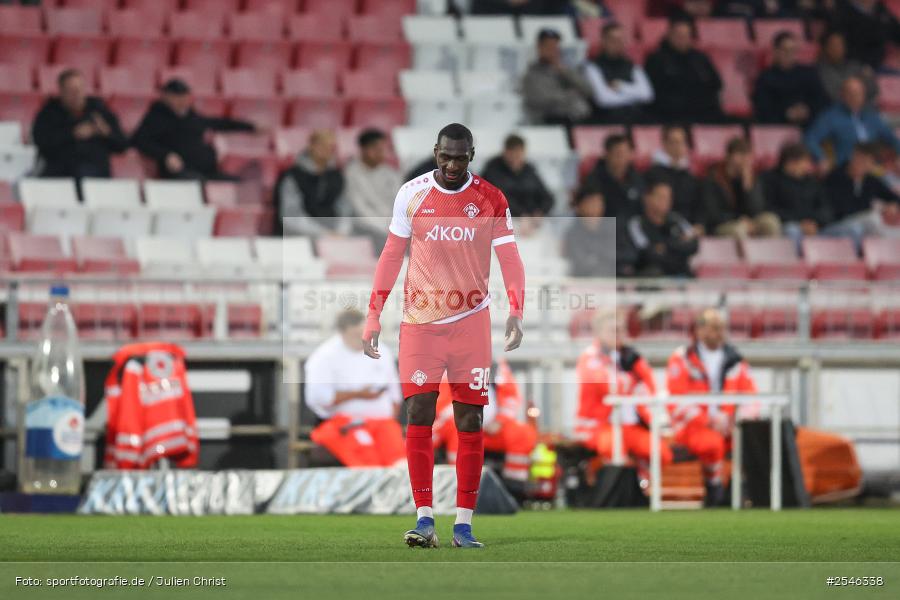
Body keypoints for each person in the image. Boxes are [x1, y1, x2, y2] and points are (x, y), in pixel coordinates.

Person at [363, 123, 526, 549]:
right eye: (446, 156)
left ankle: (464, 525)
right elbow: (391, 255)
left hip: (471, 323)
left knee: (469, 418)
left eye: (461, 158)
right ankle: (423, 519)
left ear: (471, 155)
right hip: (420, 324)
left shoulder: (490, 198)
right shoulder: (411, 194)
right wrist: (373, 315)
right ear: (436, 152)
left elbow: (509, 256)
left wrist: (516, 309)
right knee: (418, 412)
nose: (452, 165)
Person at [666, 308, 756, 507]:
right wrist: (709, 420)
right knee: (712, 443)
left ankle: (743, 490)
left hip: (729, 425)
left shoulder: (735, 360)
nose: (718, 333)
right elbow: (676, 400)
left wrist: (736, 419)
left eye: (721, 328)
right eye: (713, 328)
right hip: (692, 426)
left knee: (754, 440)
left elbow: (751, 396)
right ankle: (715, 487)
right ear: (699, 330)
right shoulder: (683, 358)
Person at [575, 308, 673, 480]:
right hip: (600, 427)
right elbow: (606, 386)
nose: (618, 334)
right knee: (615, 451)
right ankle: (613, 493)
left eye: (621, 330)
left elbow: (650, 387)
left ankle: (641, 490)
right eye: (613, 330)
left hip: (632, 426)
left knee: (661, 453)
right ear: (599, 332)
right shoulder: (589, 357)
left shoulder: (632, 357)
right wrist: (632, 382)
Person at [304, 309, 404, 468]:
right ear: (342, 333)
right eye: (356, 335)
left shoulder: (381, 350)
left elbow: (394, 395)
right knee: (368, 460)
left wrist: (389, 416)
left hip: (383, 422)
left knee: (401, 463)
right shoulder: (324, 357)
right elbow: (317, 398)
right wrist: (358, 394)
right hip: (345, 423)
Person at [432, 359, 538, 497]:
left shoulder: (497, 365)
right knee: (457, 432)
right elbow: (441, 403)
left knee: (522, 434)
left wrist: (500, 420)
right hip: (459, 423)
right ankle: (458, 486)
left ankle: (514, 490)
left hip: (493, 429)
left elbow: (511, 397)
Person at [132, 78, 257, 180]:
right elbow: (140, 140)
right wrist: (166, 155)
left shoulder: (191, 117)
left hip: (207, 171)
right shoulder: (156, 118)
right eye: (177, 96)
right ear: (166, 96)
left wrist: (250, 127)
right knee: (196, 181)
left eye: (184, 96)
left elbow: (219, 123)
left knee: (237, 182)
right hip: (180, 172)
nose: (182, 100)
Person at [32, 68, 127, 179]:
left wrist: (106, 132)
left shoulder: (99, 110)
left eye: (80, 89)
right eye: (71, 90)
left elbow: (122, 146)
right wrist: (73, 134)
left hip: (97, 175)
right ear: (61, 91)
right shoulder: (49, 113)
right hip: (60, 175)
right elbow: (42, 143)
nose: (76, 94)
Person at [805, 76, 900, 168]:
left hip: (874, 166)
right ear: (842, 95)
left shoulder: (871, 116)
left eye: (859, 93)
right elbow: (810, 139)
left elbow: (891, 138)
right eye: (851, 93)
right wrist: (821, 158)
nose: (855, 97)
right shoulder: (830, 117)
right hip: (847, 168)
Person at [644, 16, 724, 123]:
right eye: (678, 36)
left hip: (703, 112)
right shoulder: (656, 59)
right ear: (669, 35)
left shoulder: (701, 58)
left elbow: (716, 83)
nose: (682, 40)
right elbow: (653, 93)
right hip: (670, 115)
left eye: (686, 36)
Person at [822, 142, 900, 249]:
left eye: (866, 162)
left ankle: (882, 258)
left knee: (892, 230)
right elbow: (838, 210)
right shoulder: (835, 177)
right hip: (836, 224)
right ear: (853, 156)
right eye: (859, 159)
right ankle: (868, 257)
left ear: (872, 165)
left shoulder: (870, 180)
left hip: (862, 222)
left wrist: (892, 204)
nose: (860, 163)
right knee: (867, 222)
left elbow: (894, 197)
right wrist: (879, 209)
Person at [700, 137, 781, 238]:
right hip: (723, 224)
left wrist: (748, 187)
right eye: (740, 154)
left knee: (770, 221)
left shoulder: (752, 177)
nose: (745, 159)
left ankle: (770, 253)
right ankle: (747, 254)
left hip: (747, 221)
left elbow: (757, 210)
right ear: (728, 156)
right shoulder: (714, 178)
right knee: (739, 229)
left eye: (748, 155)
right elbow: (713, 214)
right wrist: (739, 219)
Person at [273, 129, 349, 237]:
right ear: (311, 146)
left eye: (331, 147)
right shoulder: (292, 176)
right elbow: (290, 216)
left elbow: (345, 209)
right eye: (322, 145)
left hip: (333, 236)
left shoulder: (337, 176)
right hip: (299, 238)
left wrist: (341, 231)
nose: (327, 150)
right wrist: (322, 233)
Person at [622, 177, 699, 277]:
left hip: (681, 274)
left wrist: (665, 246)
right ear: (647, 198)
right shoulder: (636, 223)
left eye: (668, 197)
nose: (666, 201)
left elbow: (694, 245)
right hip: (651, 278)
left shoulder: (677, 220)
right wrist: (678, 246)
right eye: (661, 197)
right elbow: (647, 254)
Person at [762, 142, 831, 250]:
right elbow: (769, 209)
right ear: (791, 163)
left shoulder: (812, 182)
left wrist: (814, 222)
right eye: (805, 162)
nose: (808, 166)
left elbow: (826, 209)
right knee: (792, 231)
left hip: (815, 226)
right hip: (787, 225)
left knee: (849, 230)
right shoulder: (770, 179)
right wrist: (800, 223)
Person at [752, 31, 828, 127]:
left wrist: (807, 110)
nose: (789, 54)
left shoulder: (809, 73)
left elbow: (822, 100)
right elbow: (763, 110)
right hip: (778, 127)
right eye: (785, 50)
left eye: (793, 50)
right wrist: (786, 114)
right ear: (775, 51)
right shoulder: (765, 78)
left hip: (810, 125)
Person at [481, 134, 555, 232]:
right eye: (512, 154)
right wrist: (521, 215)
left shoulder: (529, 170)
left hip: (531, 222)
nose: (515, 159)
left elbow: (547, 197)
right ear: (505, 152)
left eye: (519, 154)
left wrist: (540, 211)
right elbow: (500, 198)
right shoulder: (493, 169)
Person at [583, 22, 654, 123]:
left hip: (635, 116)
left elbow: (647, 94)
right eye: (613, 40)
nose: (618, 44)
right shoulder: (592, 67)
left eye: (621, 40)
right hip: (606, 119)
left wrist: (621, 87)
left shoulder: (633, 65)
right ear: (603, 41)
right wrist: (634, 95)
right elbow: (603, 99)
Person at [521, 28, 594, 125]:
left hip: (577, 118)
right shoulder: (532, 74)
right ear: (539, 47)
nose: (552, 50)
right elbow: (542, 100)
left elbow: (589, 91)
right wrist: (572, 94)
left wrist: (565, 72)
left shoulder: (566, 70)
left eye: (555, 46)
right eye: (548, 46)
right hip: (550, 121)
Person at [344, 128, 402, 243]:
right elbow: (360, 209)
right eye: (376, 149)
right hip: (366, 226)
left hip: (391, 224)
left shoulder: (391, 173)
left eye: (383, 149)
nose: (381, 153)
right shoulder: (351, 173)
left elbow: (399, 204)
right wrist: (387, 227)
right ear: (364, 149)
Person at [645, 124, 703, 226]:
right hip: (662, 226)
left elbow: (698, 205)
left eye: (682, 142)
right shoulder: (653, 174)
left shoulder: (690, 176)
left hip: (688, 227)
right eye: (675, 142)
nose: (679, 146)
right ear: (665, 144)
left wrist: (699, 224)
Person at [580, 134, 644, 219]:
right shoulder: (594, 181)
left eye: (626, 153)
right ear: (607, 154)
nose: (622, 158)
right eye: (618, 154)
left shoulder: (637, 178)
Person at [828, 0, 900, 69]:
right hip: (850, 66)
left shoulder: (881, 11)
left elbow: (895, 32)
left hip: (877, 67)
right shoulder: (843, 9)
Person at [563, 188, 618, 277]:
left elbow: (616, 257)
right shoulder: (573, 234)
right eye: (591, 201)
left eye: (599, 201)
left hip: (610, 280)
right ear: (580, 206)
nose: (596, 206)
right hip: (584, 282)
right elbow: (582, 263)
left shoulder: (612, 229)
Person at [817, 30, 878, 105]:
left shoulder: (855, 66)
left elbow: (873, 91)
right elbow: (834, 95)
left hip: (862, 109)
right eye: (833, 45)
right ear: (826, 48)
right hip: (836, 110)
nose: (836, 48)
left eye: (839, 44)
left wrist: (867, 79)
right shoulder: (821, 70)